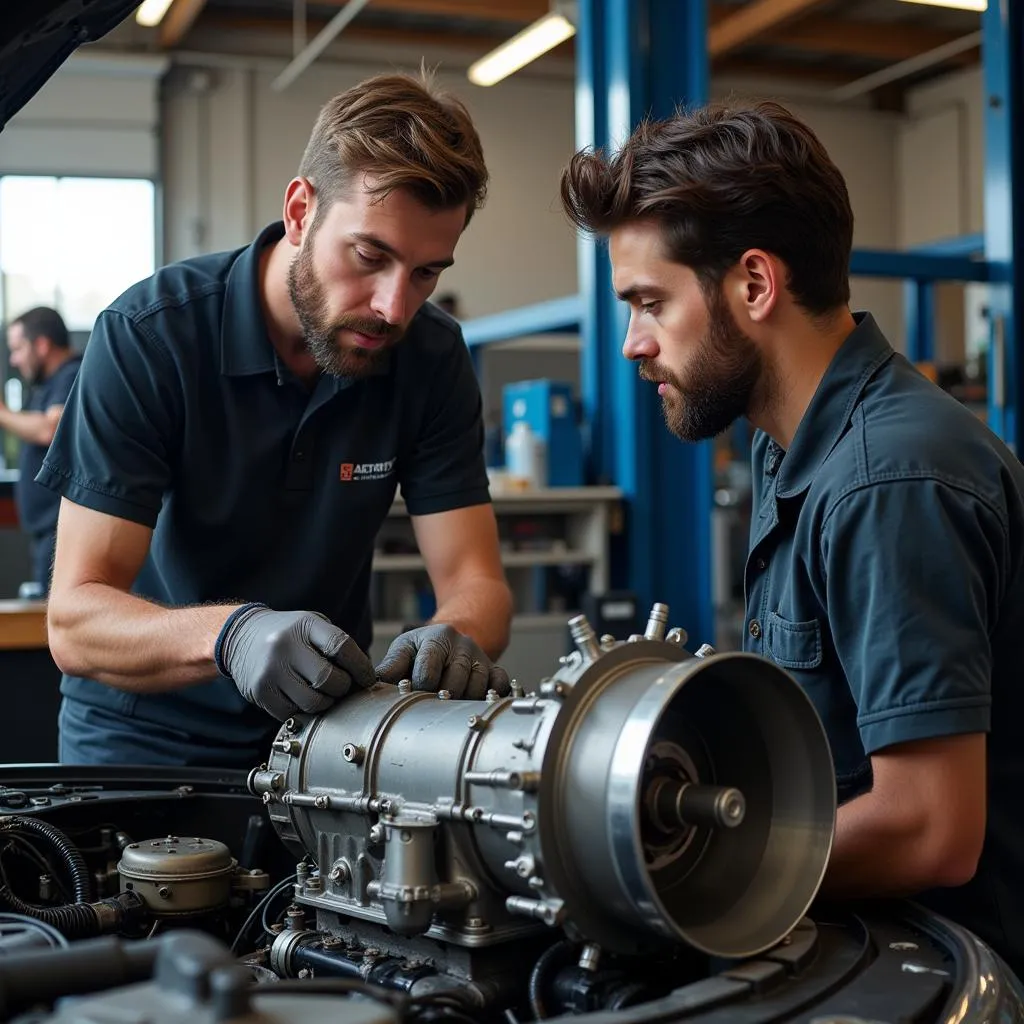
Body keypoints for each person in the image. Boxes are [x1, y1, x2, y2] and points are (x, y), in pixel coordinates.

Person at [560, 101, 1024, 975]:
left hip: (952, 972)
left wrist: (673, 878)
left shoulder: (890, 478)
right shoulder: (793, 450)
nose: (632, 344)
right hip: (868, 943)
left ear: (756, 285)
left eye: (650, 303)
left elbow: (930, 829)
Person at [38, 71, 514, 770]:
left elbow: (480, 583)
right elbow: (75, 622)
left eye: (425, 273)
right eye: (370, 256)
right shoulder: (150, 337)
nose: (394, 306)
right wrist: (232, 636)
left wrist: (454, 633)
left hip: (325, 742)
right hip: (141, 743)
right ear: (300, 212)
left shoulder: (430, 357)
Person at [0, 307, 81, 594]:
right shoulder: (48, 384)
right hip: (47, 532)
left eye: (18, 349)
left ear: (42, 345)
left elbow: (50, 429)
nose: (14, 359)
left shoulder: (72, 375)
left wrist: (2, 413)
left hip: (62, 530)